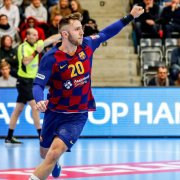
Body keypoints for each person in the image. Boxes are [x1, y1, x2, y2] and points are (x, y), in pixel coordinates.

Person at [29, 6, 144, 180]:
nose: (82, 32)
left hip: (77, 114)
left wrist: (130, 16)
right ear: (65, 34)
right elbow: (38, 84)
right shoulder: (51, 58)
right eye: (77, 29)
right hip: (54, 112)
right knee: (45, 153)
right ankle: (56, 161)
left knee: (52, 154)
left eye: (81, 28)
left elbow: (107, 33)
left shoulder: (87, 45)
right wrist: (39, 100)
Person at [5, 28, 61, 144]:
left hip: (32, 81)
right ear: (27, 36)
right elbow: (25, 61)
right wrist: (36, 52)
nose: (36, 37)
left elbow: (50, 39)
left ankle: (9, 137)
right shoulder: (23, 47)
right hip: (24, 81)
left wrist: (63, 33)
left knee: (18, 110)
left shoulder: (38, 44)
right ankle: (42, 136)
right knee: (36, 107)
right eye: (34, 35)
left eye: (37, 35)